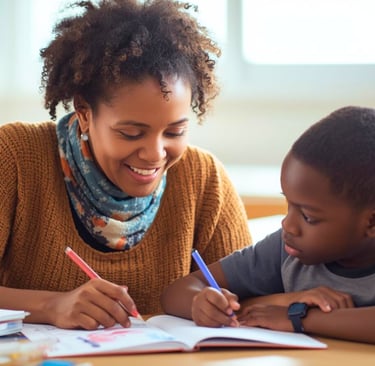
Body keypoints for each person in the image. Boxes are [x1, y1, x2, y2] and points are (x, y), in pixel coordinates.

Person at [0, 0, 251, 330]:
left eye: (175, 131)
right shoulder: (15, 157)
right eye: (131, 133)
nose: (154, 154)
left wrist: (219, 307)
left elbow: (249, 296)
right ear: (85, 113)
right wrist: (51, 306)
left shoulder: (205, 180)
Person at [161, 106, 375, 344]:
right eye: (288, 204)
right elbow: (178, 291)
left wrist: (299, 318)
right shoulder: (285, 250)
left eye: (308, 217)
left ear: (371, 222)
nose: (288, 225)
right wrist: (199, 302)